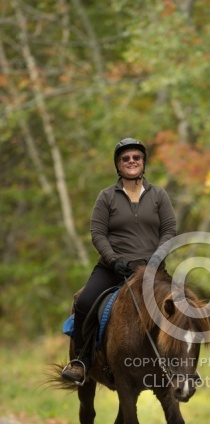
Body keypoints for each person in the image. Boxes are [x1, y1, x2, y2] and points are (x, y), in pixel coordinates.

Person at [62, 137, 177, 384]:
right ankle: (81, 360)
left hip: (152, 273)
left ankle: (184, 369)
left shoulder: (159, 195)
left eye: (136, 157)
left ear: (143, 163)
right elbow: (98, 233)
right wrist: (113, 259)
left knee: (183, 309)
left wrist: (156, 259)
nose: (131, 161)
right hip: (113, 269)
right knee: (84, 302)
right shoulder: (106, 197)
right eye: (125, 158)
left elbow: (169, 231)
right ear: (118, 165)